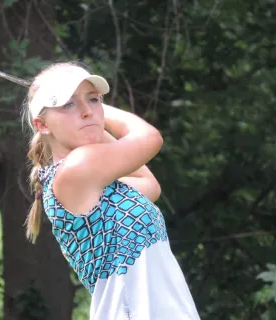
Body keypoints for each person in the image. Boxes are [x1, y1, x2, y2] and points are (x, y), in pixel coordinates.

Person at [23, 62, 200, 320]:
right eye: (68, 104)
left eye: (94, 99)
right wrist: (100, 111)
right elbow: (149, 138)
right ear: (42, 125)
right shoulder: (77, 168)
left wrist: (93, 120)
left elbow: (149, 186)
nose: (86, 111)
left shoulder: (92, 182)